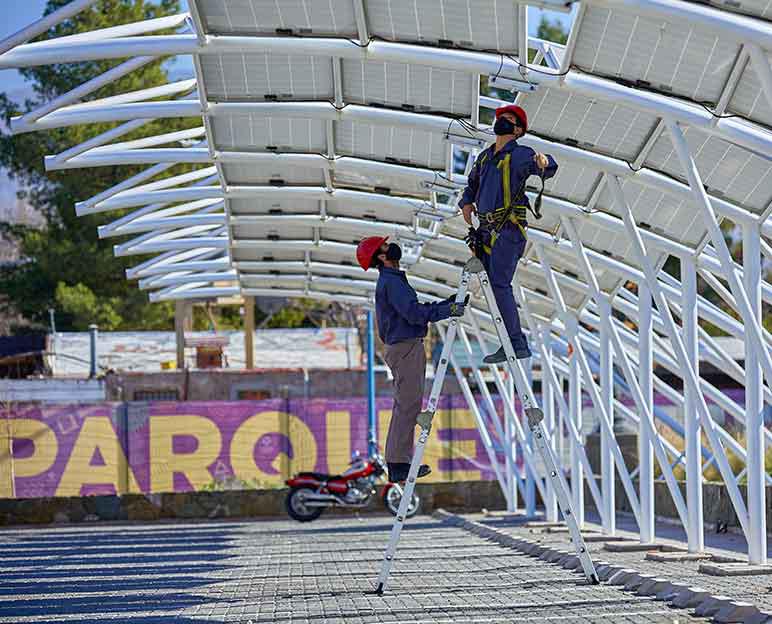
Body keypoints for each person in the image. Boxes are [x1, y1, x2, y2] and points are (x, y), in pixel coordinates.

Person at [356, 236, 466, 483]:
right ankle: (398, 465)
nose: (391, 246)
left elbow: (411, 310)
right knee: (407, 406)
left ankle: (400, 462)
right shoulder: (391, 282)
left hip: (405, 347)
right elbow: (414, 314)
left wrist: (444, 306)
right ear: (382, 257)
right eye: (385, 246)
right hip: (405, 348)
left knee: (407, 405)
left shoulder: (393, 281)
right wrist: (445, 310)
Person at [459, 104, 558, 363]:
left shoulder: (520, 154)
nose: (502, 120)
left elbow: (545, 165)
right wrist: (466, 203)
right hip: (486, 231)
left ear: (518, 130)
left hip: (508, 231)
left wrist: (545, 163)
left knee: (499, 284)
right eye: (501, 117)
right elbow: (471, 185)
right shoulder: (484, 157)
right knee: (493, 286)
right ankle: (510, 342)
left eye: (510, 119)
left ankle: (515, 343)